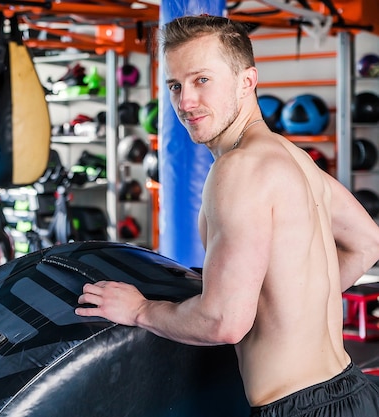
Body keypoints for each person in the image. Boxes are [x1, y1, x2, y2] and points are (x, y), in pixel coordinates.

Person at [75, 14, 379, 416]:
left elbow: (223, 322)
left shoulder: (237, 169)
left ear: (246, 81)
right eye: (174, 85)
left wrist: (140, 310)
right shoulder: (294, 158)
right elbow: (367, 242)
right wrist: (292, 310)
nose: (185, 102)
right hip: (350, 389)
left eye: (202, 80)